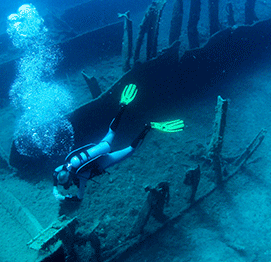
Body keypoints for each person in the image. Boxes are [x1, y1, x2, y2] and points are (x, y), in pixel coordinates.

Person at [52, 84, 183, 201]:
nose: (67, 186)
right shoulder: (66, 164)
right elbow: (55, 172)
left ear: (69, 179)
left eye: (66, 185)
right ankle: (122, 106)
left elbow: (80, 197)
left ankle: (148, 127)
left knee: (130, 150)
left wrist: (64, 197)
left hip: (105, 159)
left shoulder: (80, 177)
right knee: (111, 132)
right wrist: (54, 187)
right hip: (101, 147)